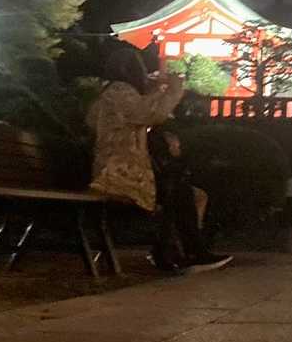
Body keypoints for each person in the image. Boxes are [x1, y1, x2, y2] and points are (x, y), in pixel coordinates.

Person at [87, 47, 187, 265]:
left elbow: (140, 112)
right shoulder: (120, 92)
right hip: (117, 172)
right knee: (179, 190)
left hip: (113, 167)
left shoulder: (109, 93)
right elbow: (151, 114)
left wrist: (155, 92)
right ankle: (178, 252)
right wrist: (173, 89)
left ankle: (178, 251)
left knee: (181, 191)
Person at [150, 129, 231, 272]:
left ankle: (193, 246)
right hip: (156, 186)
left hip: (161, 183)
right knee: (179, 194)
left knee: (189, 194)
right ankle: (192, 249)